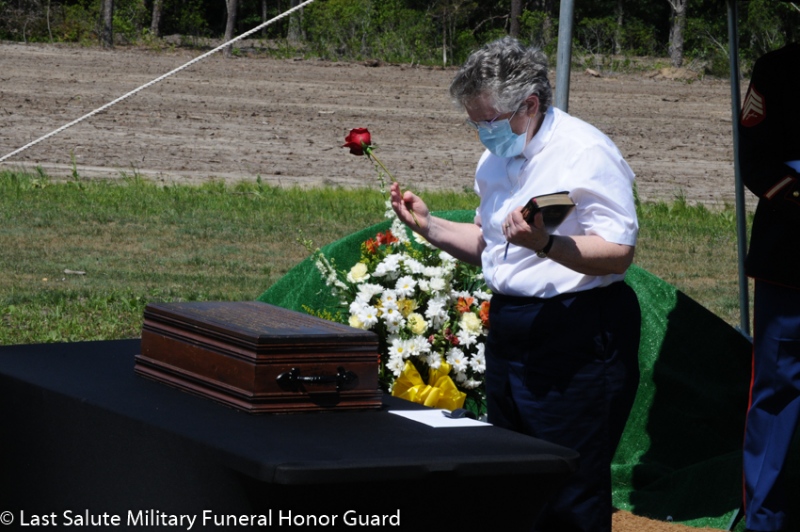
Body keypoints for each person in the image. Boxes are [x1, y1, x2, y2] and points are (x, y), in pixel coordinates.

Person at [390, 36, 641, 532]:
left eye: (489, 120)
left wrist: (547, 244)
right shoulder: (495, 161)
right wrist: (429, 226)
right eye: (474, 122)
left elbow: (618, 253)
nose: (483, 132)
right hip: (511, 328)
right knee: (514, 475)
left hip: (576, 331)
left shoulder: (586, 152)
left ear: (529, 105)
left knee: (568, 487)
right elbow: (490, 245)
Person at [739, 41, 800, 532]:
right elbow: (757, 161)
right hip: (792, 260)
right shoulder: (781, 68)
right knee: (778, 395)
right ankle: (766, 521)